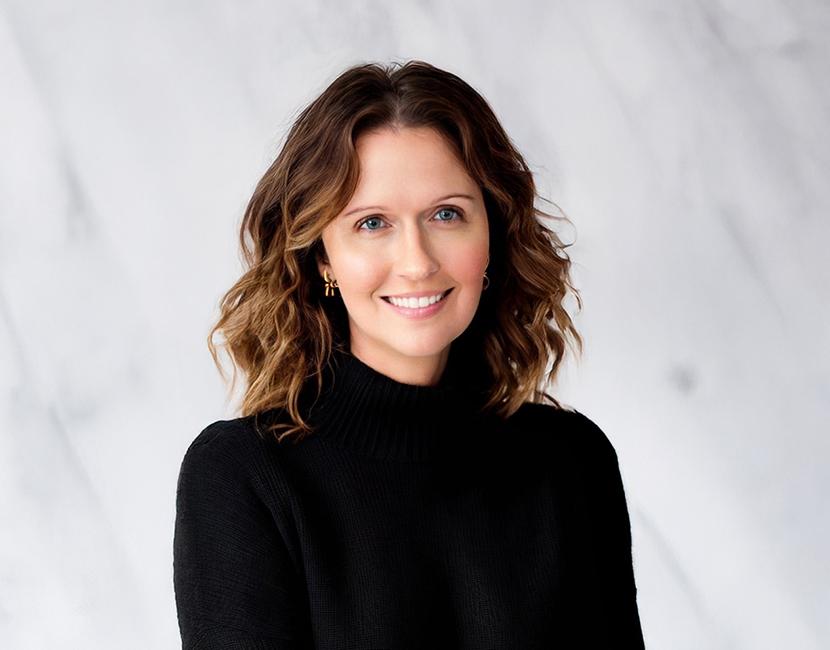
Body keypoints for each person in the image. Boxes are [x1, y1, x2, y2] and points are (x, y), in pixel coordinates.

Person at [173, 59, 646, 649]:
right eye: (372, 223)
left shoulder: (572, 462)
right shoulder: (246, 476)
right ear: (323, 259)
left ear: (493, 235)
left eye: (446, 214)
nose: (418, 261)